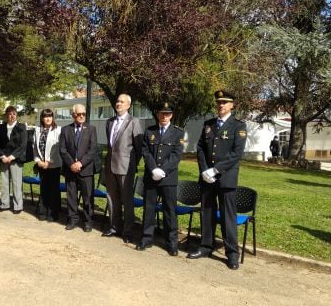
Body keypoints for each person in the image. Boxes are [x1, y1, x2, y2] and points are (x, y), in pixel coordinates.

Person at [188, 90, 247, 270]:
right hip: (207, 178)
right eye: (219, 102)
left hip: (226, 178)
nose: (221, 105)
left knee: (228, 217)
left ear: (232, 105)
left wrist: (215, 170)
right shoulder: (209, 124)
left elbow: (236, 153)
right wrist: (205, 170)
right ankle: (206, 247)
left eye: (225, 102)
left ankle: (232, 254)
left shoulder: (238, 126)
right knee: (207, 213)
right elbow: (200, 148)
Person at [136, 102, 184, 256]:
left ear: (171, 115)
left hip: (168, 178)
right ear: (157, 114)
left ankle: (171, 243)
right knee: (149, 209)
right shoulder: (150, 131)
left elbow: (176, 155)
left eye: (167, 114)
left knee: (169, 211)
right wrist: (153, 168)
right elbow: (145, 151)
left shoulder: (178, 133)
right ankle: (146, 238)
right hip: (151, 177)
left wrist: (162, 170)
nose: (164, 116)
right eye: (162, 113)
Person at [102, 94, 143, 243]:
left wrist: (132, 164)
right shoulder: (110, 122)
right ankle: (114, 227)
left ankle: (128, 231)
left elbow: (139, 147)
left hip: (126, 167)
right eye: (117, 101)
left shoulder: (134, 122)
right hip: (110, 166)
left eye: (121, 102)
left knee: (127, 200)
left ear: (128, 105)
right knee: (112, 198)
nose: (118, 104)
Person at [59, 104, 97, 232]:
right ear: (73, 115)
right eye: (79, 114)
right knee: (71, 197)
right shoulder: (65, 130)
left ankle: (88, 221)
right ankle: (72, 219)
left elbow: (92, 150)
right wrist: (72, 164)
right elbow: (63, 150)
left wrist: (80, 163)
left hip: (85, 170)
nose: (82, 116)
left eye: (84, 114)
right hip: (70, 170)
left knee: (87, 197)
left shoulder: (91, 129)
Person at [0, 106, 27, 214]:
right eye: (9, 114)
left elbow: (23, 145)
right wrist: (2, 157)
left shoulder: (21, 127)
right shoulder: (1, 127)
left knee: (17, 183)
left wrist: (12, 157)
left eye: (13, 114)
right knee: (4, 182)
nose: (11, 116)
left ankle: (18, 206)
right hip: (3, 159)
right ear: (6, 115)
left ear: (16, 115)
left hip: (16, 159)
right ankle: (5, 204)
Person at [33, 109, 62, 221]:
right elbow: (34, 147)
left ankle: (52, 214)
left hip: (54, 165)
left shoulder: (58, 130)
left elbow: (57, 148)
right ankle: (42, 212)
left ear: (53, 118)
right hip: (41, 165)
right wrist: (38, 161)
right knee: (43, 189)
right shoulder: (37, 130)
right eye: (45, 116)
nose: (48, 118)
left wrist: (48, 162)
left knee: (53, 190)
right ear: (42, 118)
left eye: (50, 116)